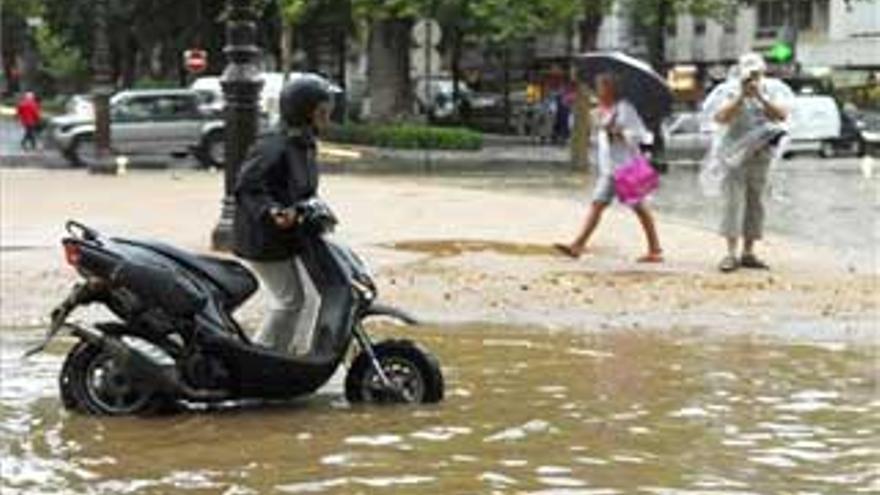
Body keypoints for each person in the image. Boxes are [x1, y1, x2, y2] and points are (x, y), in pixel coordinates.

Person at [232, 76, 334, 355]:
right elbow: (247, 188)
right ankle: (259, 358)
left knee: (313, 296)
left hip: (290, 237)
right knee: (289, 300)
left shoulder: (305, 143)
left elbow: (300, 190)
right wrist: (272, 212)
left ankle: (295, 354)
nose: (328, 115)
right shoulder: (273, 145)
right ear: (304, 112)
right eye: (322, 110)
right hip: (263, 238)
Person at [555, 72, 663, 263]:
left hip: (626, 167)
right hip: (609, 168)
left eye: (601, 86)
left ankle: (655, 249)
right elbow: (600, 138)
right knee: (598, 204)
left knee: (639, 207)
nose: (598, 90)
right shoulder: (602, 109)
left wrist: (619, 133)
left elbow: (641, 135)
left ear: (611, 88)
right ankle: (578, 245)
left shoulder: (625, 108)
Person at [704, 53, 792, 273]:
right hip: (734, 156)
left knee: (756, 203)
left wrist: (761, 98)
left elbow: (781, 116)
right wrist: (741, 96)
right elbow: (720, 117)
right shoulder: (729, 91)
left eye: (757, 73)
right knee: (732, 202)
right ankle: (731, 253)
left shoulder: (772, 90)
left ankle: (749, 252)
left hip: (761, 155)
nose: (753, 77)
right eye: (749, 73)